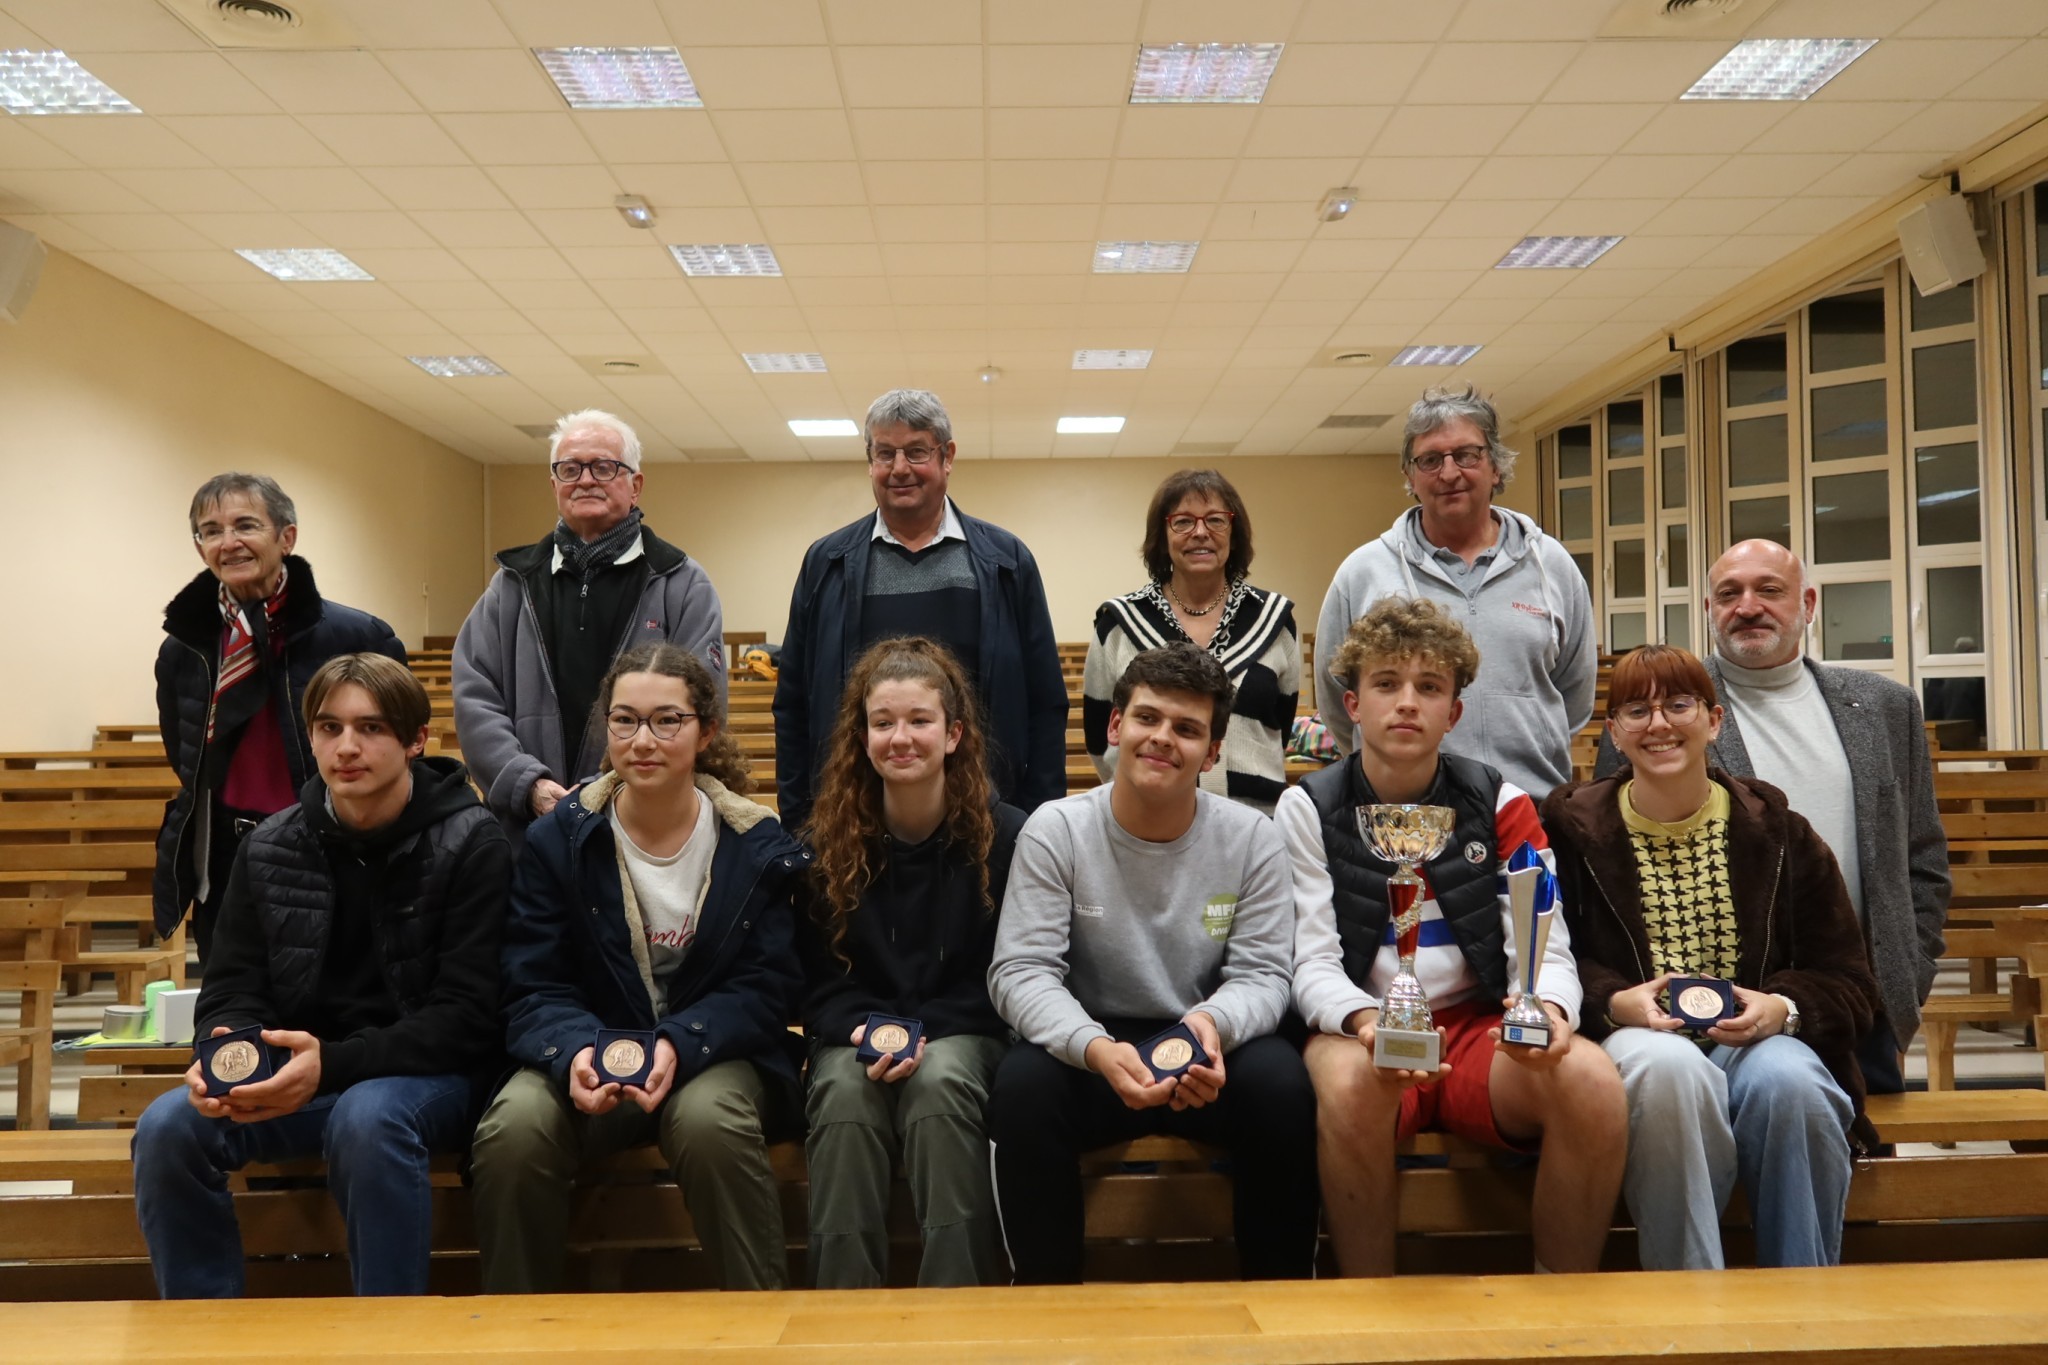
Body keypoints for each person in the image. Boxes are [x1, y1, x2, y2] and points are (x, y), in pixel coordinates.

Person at [131, 653, 509, 1297]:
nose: (347, 747)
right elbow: (232, 987)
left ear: (417, 740)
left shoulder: (475, 843)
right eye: (329, 728)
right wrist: (228, 1055)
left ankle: (386, 1338)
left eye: (372, 728)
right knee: (168, 1127)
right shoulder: (270, 844)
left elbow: (470, 1017)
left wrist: (328, 1065)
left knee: (366, 1119)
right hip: (297, 1074)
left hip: (429, 1077)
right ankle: (201, 1337)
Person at [1284, 597, 1626, 1277]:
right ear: (1352, 703)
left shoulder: (1501, 802)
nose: (1407, 703)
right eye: (1387, 684)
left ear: (1454, 711)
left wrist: (1550, 1011)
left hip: (1477, 1031)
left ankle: (1561, 1315)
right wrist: (1363, 1021)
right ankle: (1368, 1311)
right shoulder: (1308, 806)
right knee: (1352, 1086)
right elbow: (1311, 961)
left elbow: (1544, 941)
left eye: (1429, 687)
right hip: (1360, 1029)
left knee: (1590, 1079)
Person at [470, 643, 807, 1293]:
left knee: (709, 1122)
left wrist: (678, 1046)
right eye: (624, 719)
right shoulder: (559, 839)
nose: (642, 739)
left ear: (706, 730)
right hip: (592, 1049)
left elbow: (770, 988)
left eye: (667, 719)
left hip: (718, 1056)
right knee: (513, 1128)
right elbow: (532, 981)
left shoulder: (758, 844)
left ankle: (762, 1324)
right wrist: (577, 1053)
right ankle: (516, 1333)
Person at [987, 643, 1317, 1284]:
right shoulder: (1056, 829)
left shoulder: (1253, 838)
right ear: (1116, 726)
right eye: (1147, 719)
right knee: (1023, 1089)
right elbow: (1020, 972)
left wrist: (1210, 1029)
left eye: (1188, 729)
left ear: (1213, 752)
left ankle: (1282, 1306)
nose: (1163, 739)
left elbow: (1264, 975)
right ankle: (1045, 1306)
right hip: (1093, 1047)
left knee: (1281, 1085)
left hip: (1207, 1045)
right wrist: (1094, 1047)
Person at [1547, 645, 1880, 1269]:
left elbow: (1850, 980)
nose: (1660, 724)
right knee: (1670, 1070)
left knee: (1794, 1082)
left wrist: (1781, 1007)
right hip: (1634, 1038)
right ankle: (1690, 1300)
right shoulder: (1569, 830)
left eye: (1679, 705)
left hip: (1753, 1041)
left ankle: (1804, 1306)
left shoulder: (1782, 832)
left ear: (1715, 720)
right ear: (1614, 732)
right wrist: (1614, 1001)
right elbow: (1548, 953)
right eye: (1637, 710)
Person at [1594, 539, 1947, 1096]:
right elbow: (1610, 868)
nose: (1748, 606)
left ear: (1807, 605)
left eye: (1770, 591)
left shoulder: (1885, 707)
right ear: (1709, 610)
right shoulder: (1665, 714)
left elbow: (1922, 856)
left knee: (1864, 1174)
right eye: (1729, 594)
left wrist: (1908, 967)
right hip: (1713, 1010)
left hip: (1857, 999)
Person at [796, 637, 1026, 1288]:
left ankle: (957, 1320)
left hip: (964, 1033)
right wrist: (865, 1029)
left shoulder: (1008, 837)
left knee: (939, 1084)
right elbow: (815, 983)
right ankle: (843, 1320)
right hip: (857, 1033)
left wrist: (922, 1030)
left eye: (919, 720)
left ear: (953, 733)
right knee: (842, 1089)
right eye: (883, 722)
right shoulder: (824, 842)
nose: (901, 737)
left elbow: (1011, 974)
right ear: (862, 736)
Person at [773, 388, 1067, 834]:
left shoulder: (1006, 562)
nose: (899, 469)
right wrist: (799, 821)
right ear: (869, 461)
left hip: (985, 817)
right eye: (884, 453)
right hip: (852, 819)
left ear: (947, 457)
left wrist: (1039, 821)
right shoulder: (826, 563)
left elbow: (1045, 702)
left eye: (916, 452)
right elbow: (793, 703)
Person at [155, 473, 406, 958]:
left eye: (246, 525)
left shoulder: (358, 636)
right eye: (211, 531)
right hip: (226, 857)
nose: (229, 543)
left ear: (286, 537)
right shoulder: (182, 647)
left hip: (331, 845)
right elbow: (183, 752)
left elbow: (395, 750)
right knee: (235, 1009)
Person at [453, 408, 726, 845]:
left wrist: (605, 790)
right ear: (555, 484)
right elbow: (475, 695)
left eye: (604, 467)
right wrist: (530, 786)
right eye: (570, 469)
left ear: (635, 485)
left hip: (642, 827)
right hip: (528, 832)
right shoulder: (510, 585)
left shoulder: (681, 582)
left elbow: (701, 704)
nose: (585, 479)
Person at [1313, 384, 1594, 803]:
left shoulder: (1551, 564)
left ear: (1495, 466)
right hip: (1404, 812)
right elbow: (1338, 700)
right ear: (1410, 476)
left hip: (1531, 807)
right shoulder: (1365, 571)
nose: (1448, 473)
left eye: (1466, 455)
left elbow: (1574, 694)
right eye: (1430, 460)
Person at [1082, 469, 1298, 813]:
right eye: (1182, 522)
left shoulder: (1275, 619)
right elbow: (1098, 739)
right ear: (1162, 536)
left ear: (1235, 533)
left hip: (1255, 823)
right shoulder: (1119, 622)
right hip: (1147, 824)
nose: (1200, 533)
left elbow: (1279, 730)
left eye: (1216, 520)